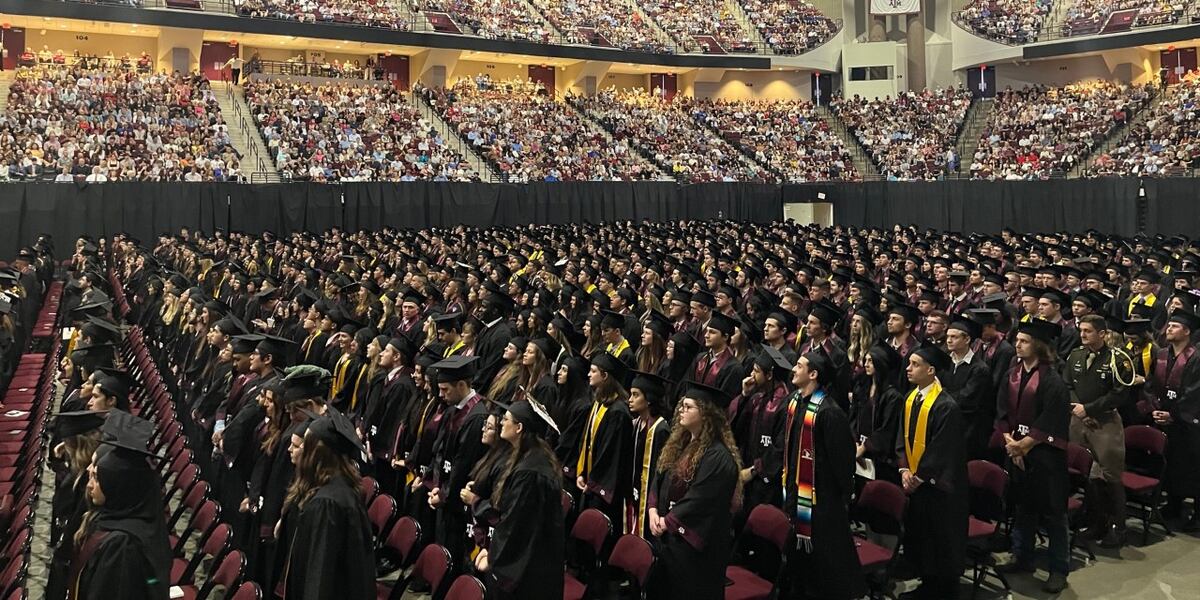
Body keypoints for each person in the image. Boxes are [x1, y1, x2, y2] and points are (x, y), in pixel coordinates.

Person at [782, 350, 866, 600]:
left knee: (826, 558)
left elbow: (843, 460)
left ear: (814, 374)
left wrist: (839, 494)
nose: (794, 369)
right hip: (797, 491)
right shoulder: (795, 402)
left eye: (800, 366)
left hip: (822, 500)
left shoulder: (828, 412)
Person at [995, 319, 1071, 594]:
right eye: (1017, 339)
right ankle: (1022, 556)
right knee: (1023, 508)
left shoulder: (1053, 381)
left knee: (1053, 515)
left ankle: (1058, 569)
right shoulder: (1012, 374)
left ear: (1038, 346)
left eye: (1024, 341)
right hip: (1016, 451)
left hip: (1046, 459)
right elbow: (1001, 410)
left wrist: (1023, 446)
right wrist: (1009, 441)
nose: (1018, 343)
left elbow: (1052, 419)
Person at [648, 382, 740, 600]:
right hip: (670, 541)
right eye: (682, 405)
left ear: (706, 414)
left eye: (689, 407)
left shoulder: (719, 457)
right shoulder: (680, 442)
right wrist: (652, 510)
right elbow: (658, 476)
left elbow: (700, 500)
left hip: (695, 551)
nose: (682, 410)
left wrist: (667, 522)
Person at [69, 411, 171, 600]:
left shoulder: (123, 545)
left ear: (117, 486)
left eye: (97, 478)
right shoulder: (125, 517)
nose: (90, 484)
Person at [896, 342, 968, 600]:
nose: (909, 368)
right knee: (922, 538)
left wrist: (918, 477)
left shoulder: (946, 406)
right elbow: (901, 437)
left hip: (940, 487)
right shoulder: (911, 398)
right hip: (917, 482)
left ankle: (943, 590)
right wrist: (904, 468)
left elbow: (941, 450)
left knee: (941, 541)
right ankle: (927, 583)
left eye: (915, 364)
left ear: (931, 370)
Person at [474, 399, 565, 600]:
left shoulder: (530, 471)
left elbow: (516, 525)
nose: (501, 424)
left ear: (519, 427)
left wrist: (493, 555)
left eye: (506, 420)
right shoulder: (529, 457)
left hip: (530, 568)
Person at [280, 410, 375, 599]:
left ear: (319, 452)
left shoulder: (327, 504)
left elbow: (320, 576)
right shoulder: (342, 487)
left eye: (306, 443)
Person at [1064, 314, 1136, 547]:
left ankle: (1119, 527)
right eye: (1081, 330)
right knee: (1087, 474)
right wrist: (1078, 409)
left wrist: (1090, 410)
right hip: (1078, 420)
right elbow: (1067, 385)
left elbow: (1119, 393)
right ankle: (1097, 522)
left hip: (1105, 423)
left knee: (1110, 476)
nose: (1083, 334)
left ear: (1102, 334)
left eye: (1088, 331)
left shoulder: (1118, 359)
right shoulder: (1075, 355)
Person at [1148, 309, 1200, 530]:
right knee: (1170, 465)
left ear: (1187, 332)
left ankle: (1197, 515)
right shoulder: (1161, 354)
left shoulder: (1196, 358)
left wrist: (1173, 414)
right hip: (1164, 419)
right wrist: (1155, 409)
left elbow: (1195, 392)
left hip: (1188, 423)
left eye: (1175, 326)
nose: (1169, 328)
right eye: (1169, 325)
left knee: (1192, 467)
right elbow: (1150, 385)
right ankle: (1173, 504)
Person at [727, 346, 790, 515]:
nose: (751, 376)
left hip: (767, 482)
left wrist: (754, 470)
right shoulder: (756, 397)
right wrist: (744, 395)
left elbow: (781, 448)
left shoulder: (785, 405)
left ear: (769, 375)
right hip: (746, 470)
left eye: (756, 371)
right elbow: (735, 427)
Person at [575, 353, 633, 533]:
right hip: (590, 482)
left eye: (593, 371)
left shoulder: (618, 412)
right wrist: (581, 472)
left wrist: (593, 484)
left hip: (603, 490)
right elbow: (587, 441)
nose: (588, 375)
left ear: (605, 376)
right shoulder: (600, 403)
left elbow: (610, 455)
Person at [626, 370, 671, 538]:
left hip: (652, 502)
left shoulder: (661, 430)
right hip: (636, 492)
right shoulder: (638, 424)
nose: (630, 400)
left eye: (636, 395)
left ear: (649, 399)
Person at [941, 316, 994, 459]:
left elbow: (966, 399)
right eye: (948, 336)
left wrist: (940, 397)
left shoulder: (979, 369)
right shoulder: (944, 361)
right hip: (943, 424)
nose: (949, 340)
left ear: (967, 340)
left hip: (968, 429)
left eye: (954, 337)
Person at [851, 342, 904, 484]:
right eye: (866, 360)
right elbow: (854, 417)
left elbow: (887, 429)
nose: (866, 364)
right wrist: (855, 442)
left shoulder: (892, 396)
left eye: (871, 361)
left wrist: (866, 446)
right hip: (858, 449)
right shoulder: (863, 388)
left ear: (880, 364)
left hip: (879, 458)